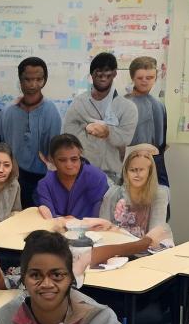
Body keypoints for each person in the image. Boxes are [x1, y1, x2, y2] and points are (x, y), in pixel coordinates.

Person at [63, 52, 138, 185]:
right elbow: (67, 135)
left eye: (107, 75)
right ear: (91, 75)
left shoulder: (127, 107)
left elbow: (126, 138)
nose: (103, 79)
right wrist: (86, 128)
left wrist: (108, 132)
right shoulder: (79, 103)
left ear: (114, 74)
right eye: (99, 75)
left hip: (112, 174)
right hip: (81, 172)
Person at [0, 57, 60, 208]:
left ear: (44, 80)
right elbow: (4, 147)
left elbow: (54, 153)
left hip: (43, 179)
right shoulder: (7, 112)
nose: (33, 84)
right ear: (20, 80)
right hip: (12, 178)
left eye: (39, 79)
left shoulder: (52, 112)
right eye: (28, 79)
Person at [100, 145, 169, 238]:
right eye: (132, 170)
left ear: (150, 171)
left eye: (141, 170)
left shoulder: (159, 193)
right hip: (116, 245)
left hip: (148, 246)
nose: (137, 174)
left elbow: (155, 231)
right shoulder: (113, 193)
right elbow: (103, 228)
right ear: (126, 172)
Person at [36, 134, 109, 220]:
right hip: (56, 229)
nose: (69, 165)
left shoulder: (97, 178)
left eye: (74, 159)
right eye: (62, 160)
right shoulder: (45, 184)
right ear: (52, 159)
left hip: (92, 230)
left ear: (80, 156)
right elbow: (48, 217)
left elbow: (101, 214)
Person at [125, 56, 169, 187]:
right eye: (140, 78)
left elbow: (163, 140)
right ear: (132, 78)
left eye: (149, 78)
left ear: (155, 78)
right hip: (132, 163)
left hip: (157, 163)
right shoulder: (123, 105)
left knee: (161, 201)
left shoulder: (159, 105)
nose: (145, 82)